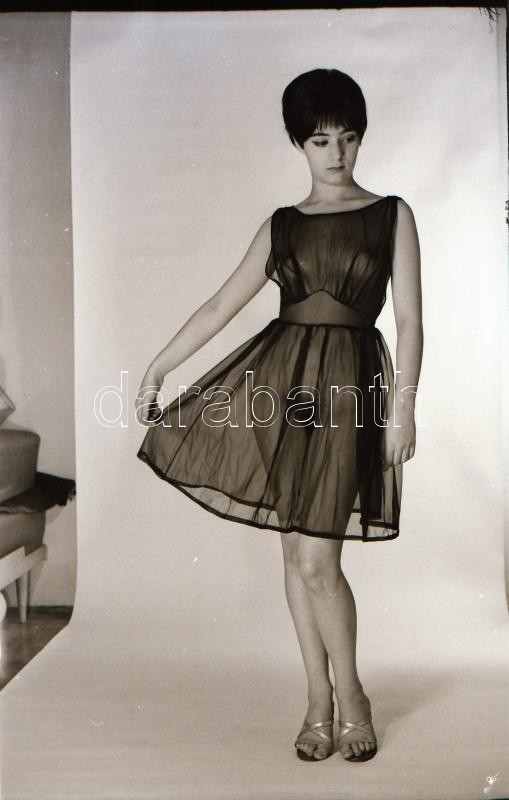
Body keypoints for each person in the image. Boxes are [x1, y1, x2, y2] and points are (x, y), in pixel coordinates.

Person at [135, 68, 423, 764]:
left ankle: (351, 697)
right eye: (320, 140)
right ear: (298, 144)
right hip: (285, 392)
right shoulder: (282, 226)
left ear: (360, 139)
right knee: (296, 555)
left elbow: (410, 321)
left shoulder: (391, 214)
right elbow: (219, 305)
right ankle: (317, 702)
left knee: (318, 559)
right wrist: (157, 367)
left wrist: (403, 407)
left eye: (347, 138)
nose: (336, 153)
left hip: (351, 393)